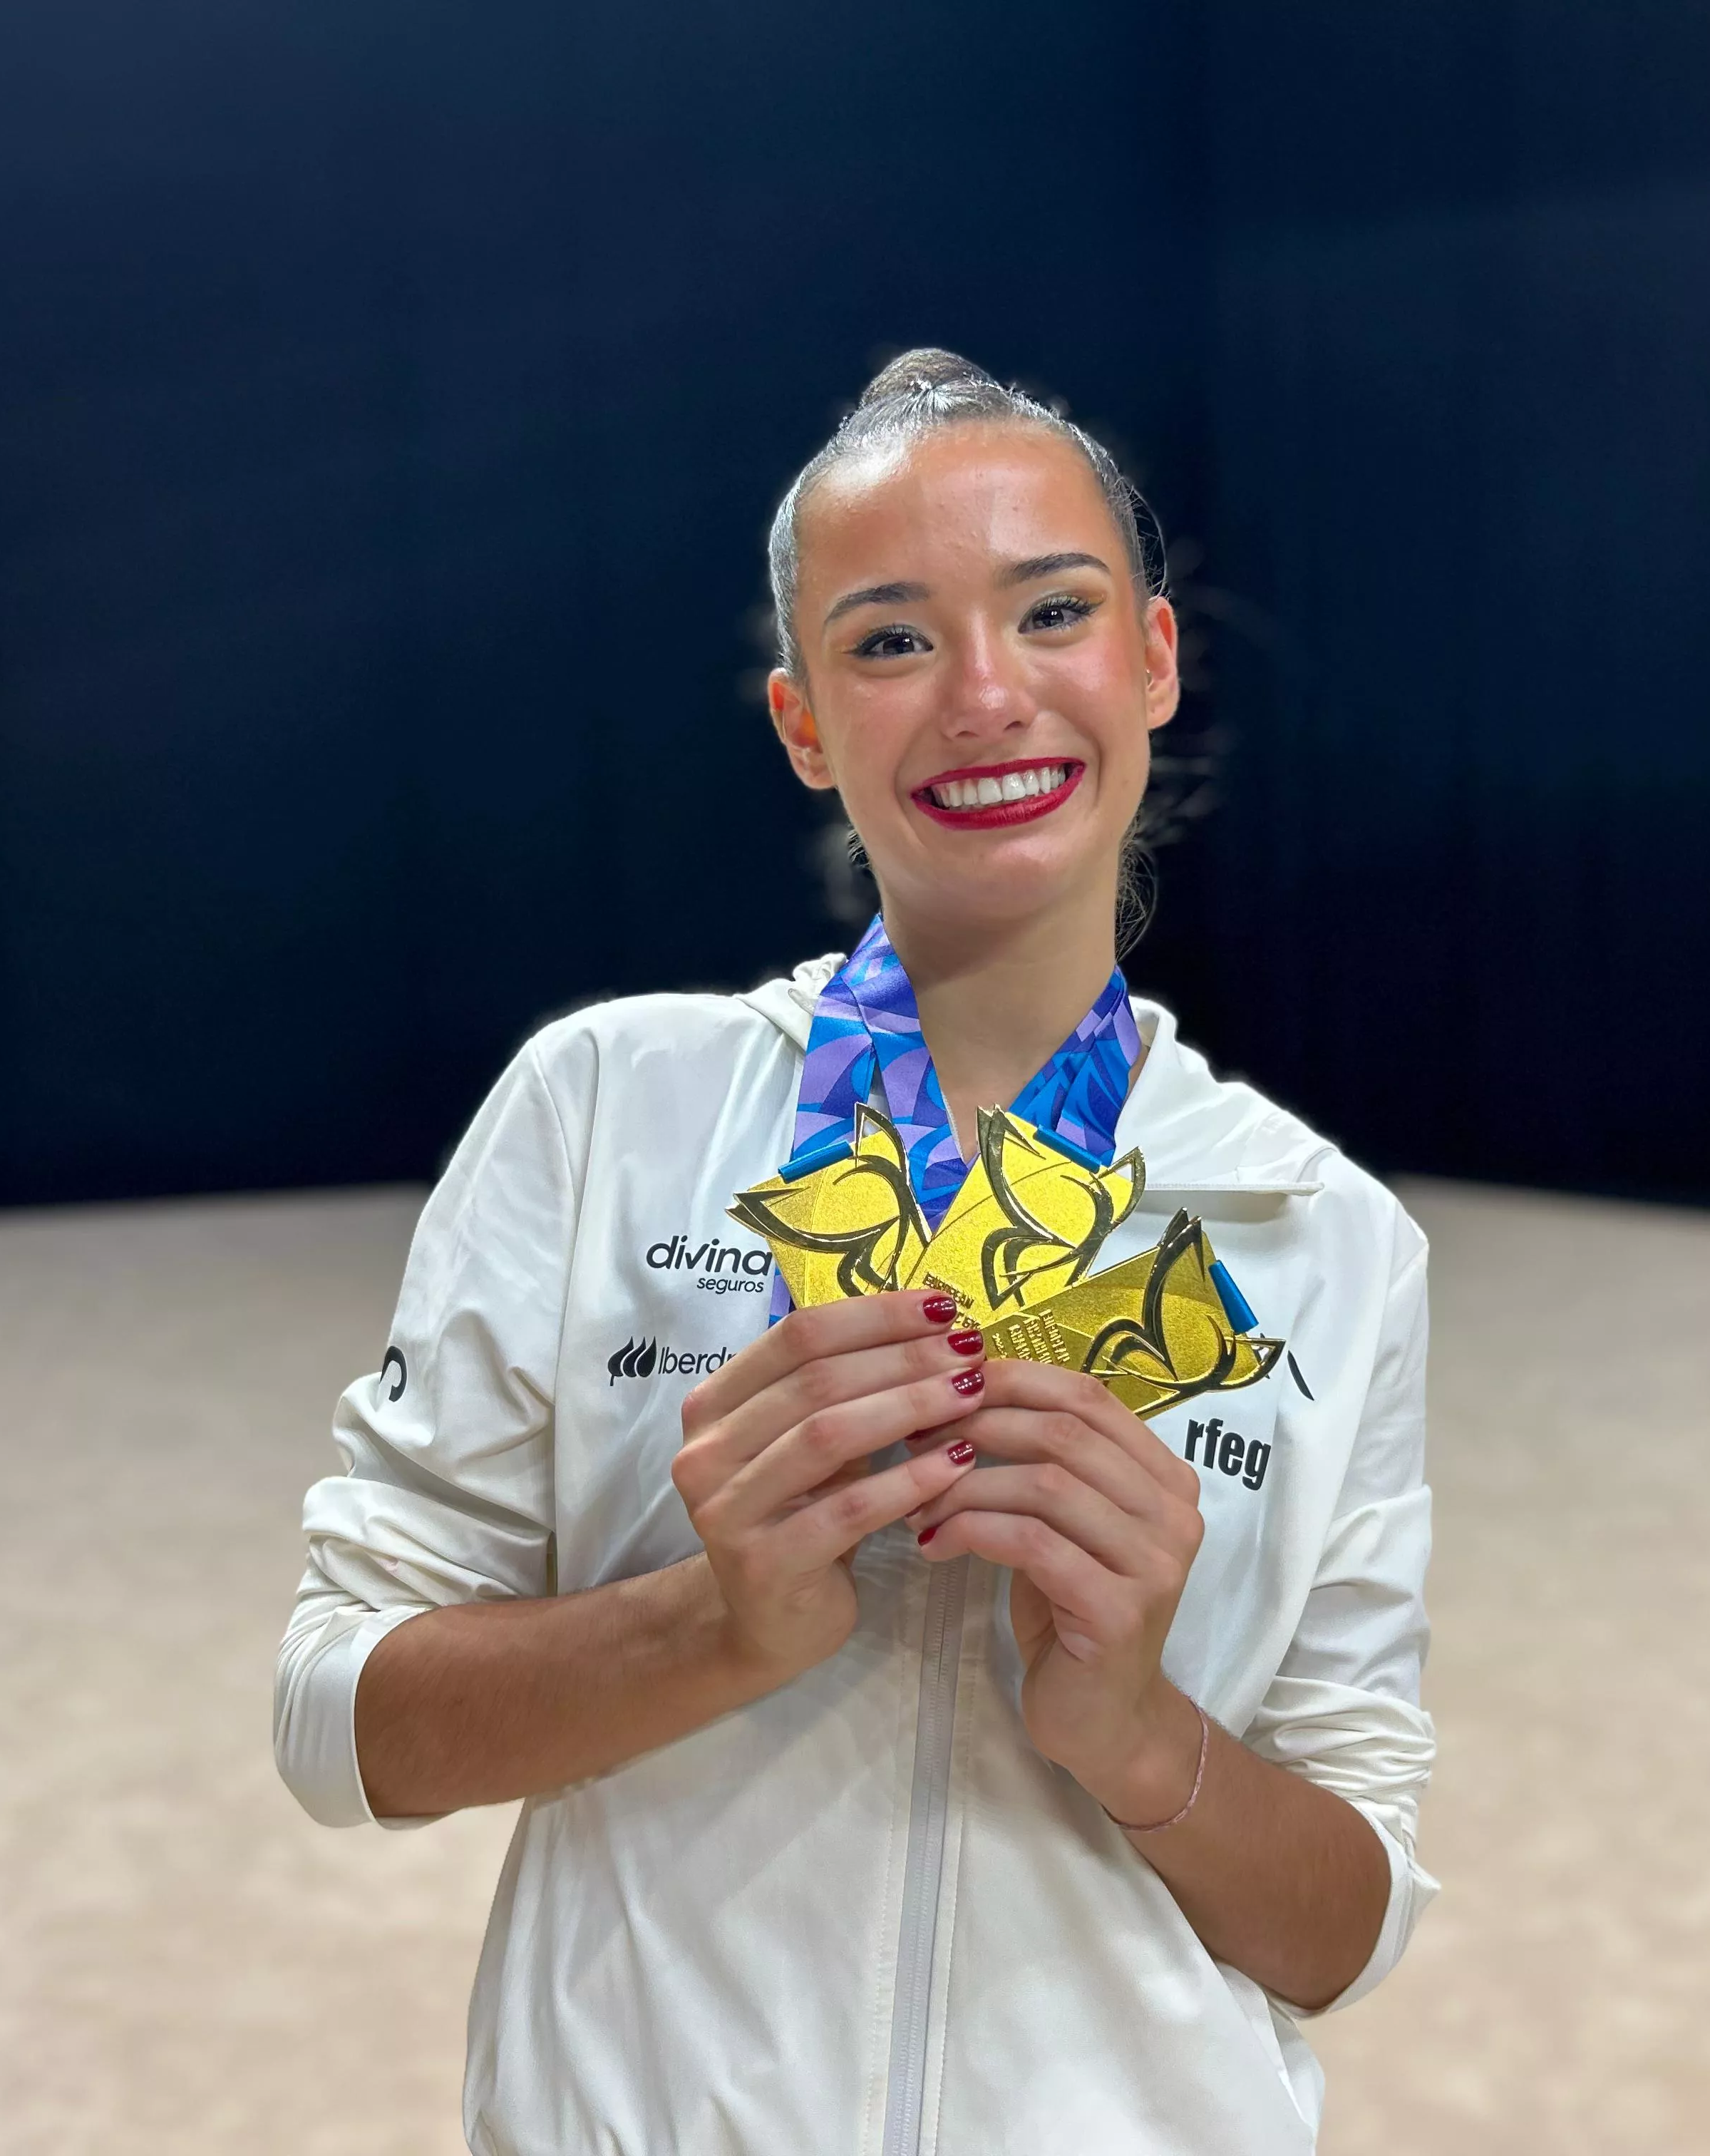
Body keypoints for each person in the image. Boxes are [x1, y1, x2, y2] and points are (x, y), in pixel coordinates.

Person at [274, 350, 1437, 2155]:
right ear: (803, 720)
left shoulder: (1329, 1238)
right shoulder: (604, 1112)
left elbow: (1345, 1932)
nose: (986, 694)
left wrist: (1137, 1731)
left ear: (1152, 662)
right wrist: (712, 1626)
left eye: (1053, 611)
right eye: (890, 641)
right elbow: (337, 1723)